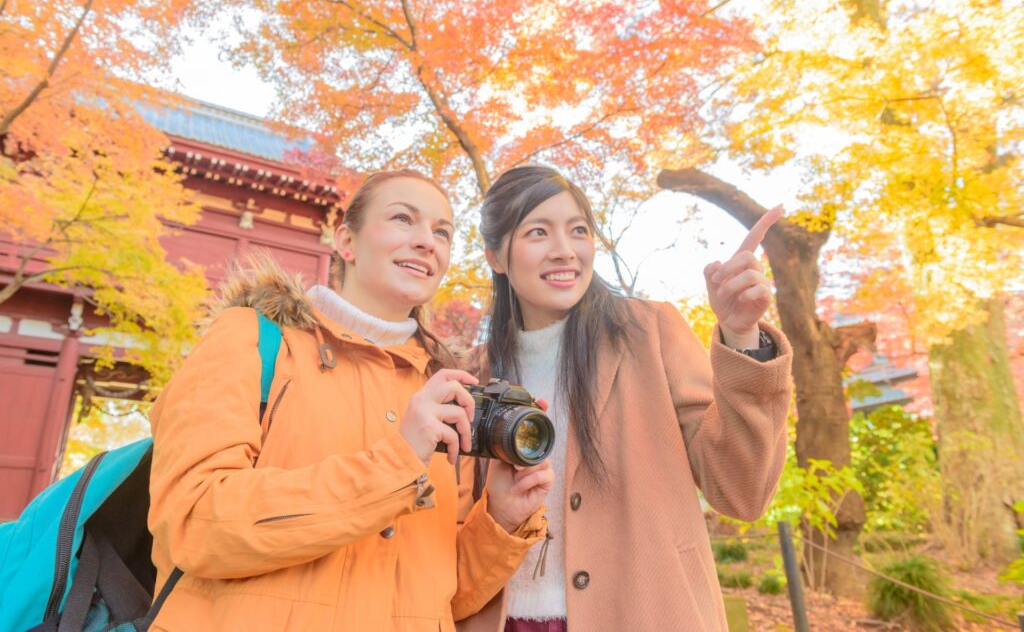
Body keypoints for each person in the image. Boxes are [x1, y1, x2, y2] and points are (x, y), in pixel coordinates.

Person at [147, 169, 554, 631]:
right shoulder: (252, 341)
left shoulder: (446, 395)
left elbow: (446, 595)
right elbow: (195, 524)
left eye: (442, 231)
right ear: (346, 241)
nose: (428, 241)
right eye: (404, 219)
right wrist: (397, 463)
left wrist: (501, 517)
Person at [458, 166, 793, 632]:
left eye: (579, 230)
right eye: (538, 231)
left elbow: (741, 491)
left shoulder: (649, 332)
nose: (565, 250)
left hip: (645, 613)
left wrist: (741, 338)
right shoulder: (470, 373)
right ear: (496, 256)